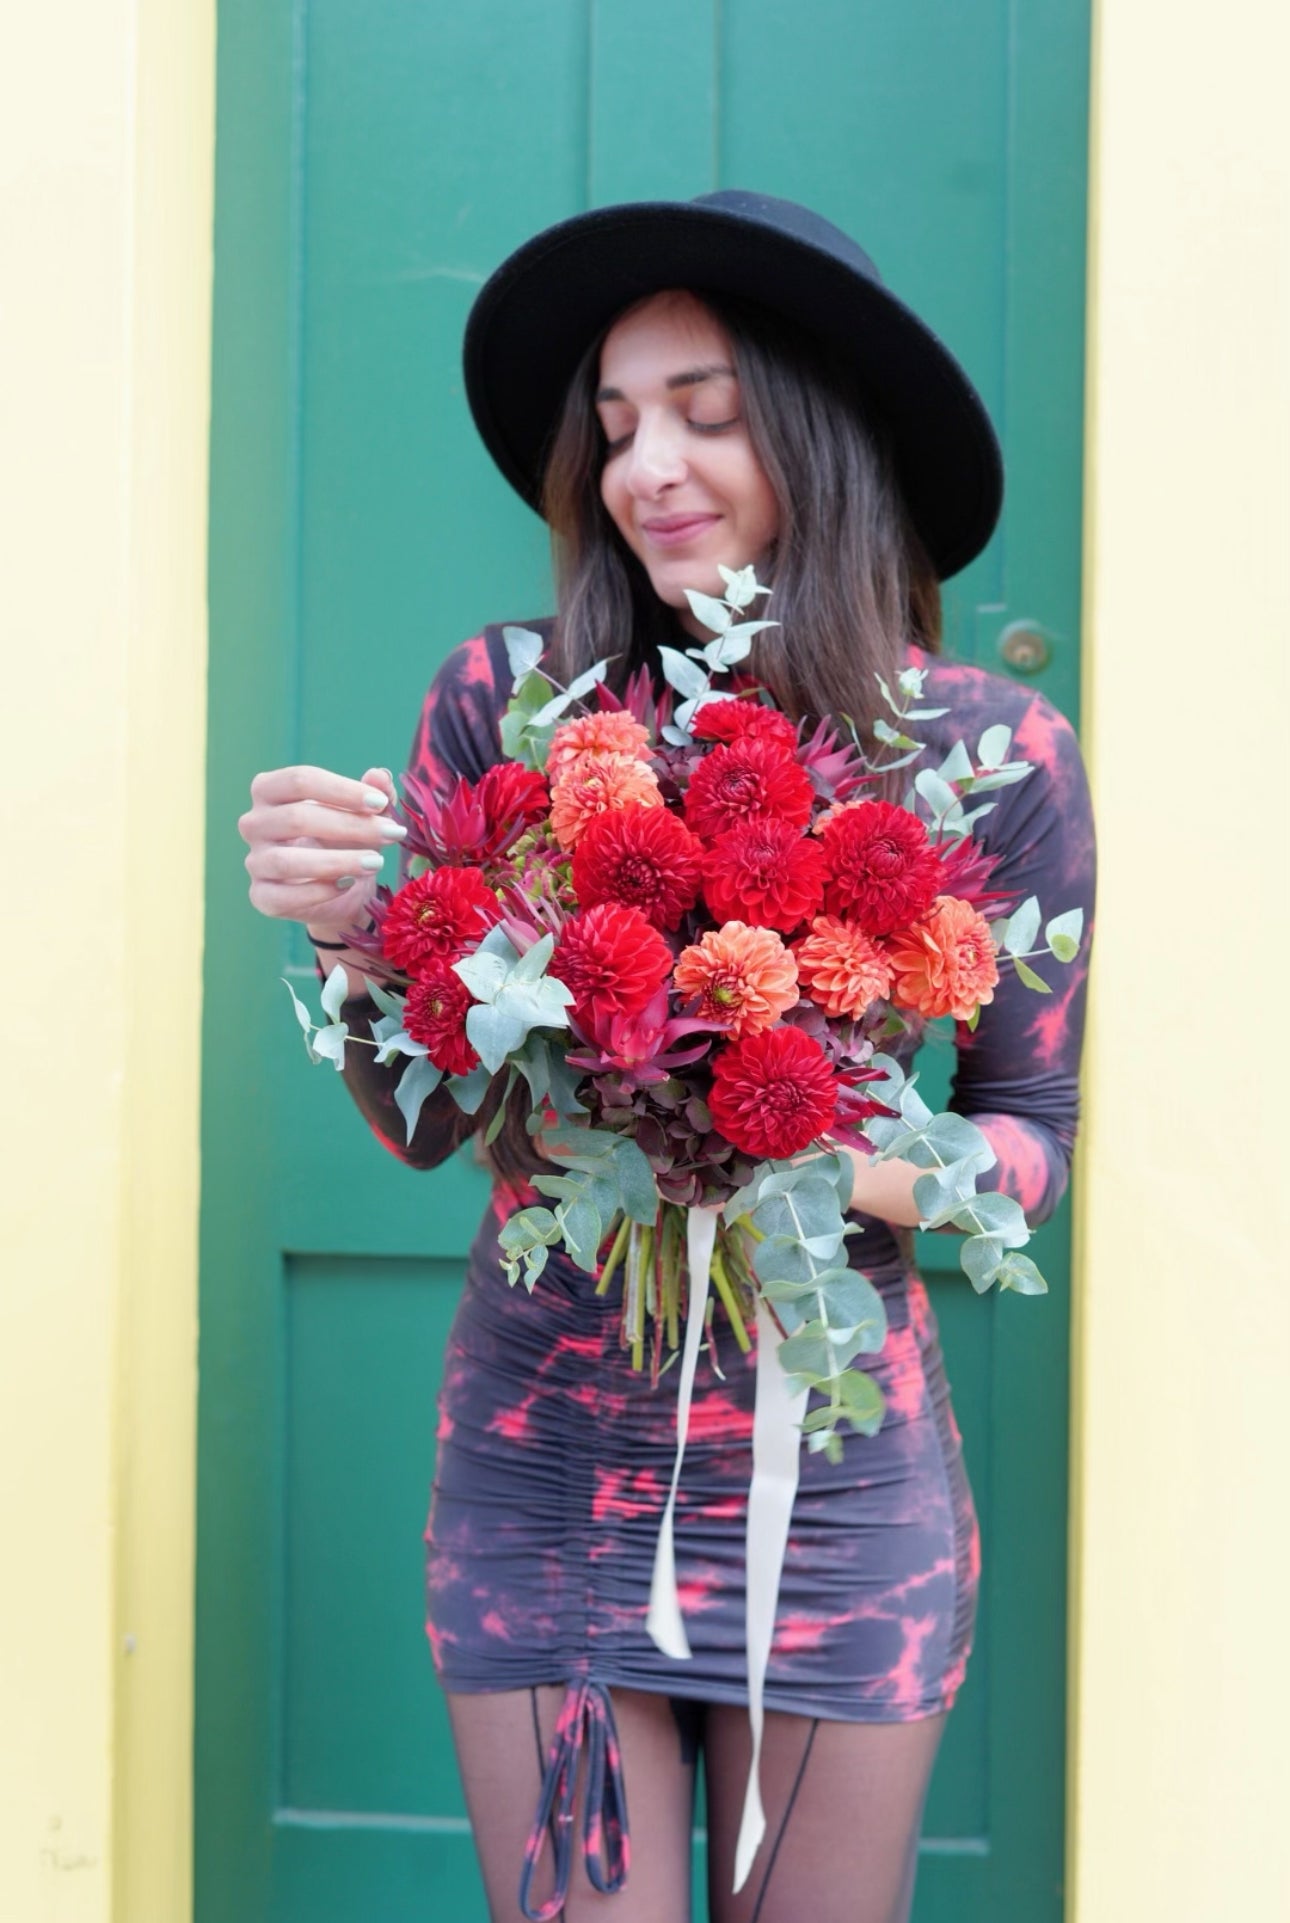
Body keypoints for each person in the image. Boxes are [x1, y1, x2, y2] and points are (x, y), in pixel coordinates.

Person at [238, 192, 1094, 1923]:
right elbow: (429, 1123)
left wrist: (786, 1143)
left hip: (840, 1489)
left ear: (816, 429)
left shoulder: (996, 753)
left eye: (703, 412)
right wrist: (347, 941)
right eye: (618, 426)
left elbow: (1029, 1139)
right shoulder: (510, 704)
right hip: (544, 1462)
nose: (648, 468)